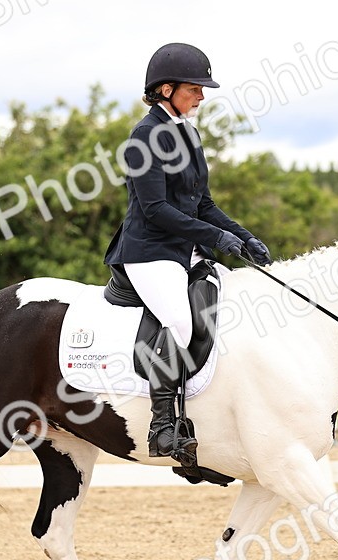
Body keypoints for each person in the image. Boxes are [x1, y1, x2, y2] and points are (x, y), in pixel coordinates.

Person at [104, 42, 272, 466]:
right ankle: (162, 426)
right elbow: (155, 209)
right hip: (149, 252)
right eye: (194, 87)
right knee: (178, 319)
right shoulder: (143, 138)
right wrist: (216, 239)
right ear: (165, 89)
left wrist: (243, 236)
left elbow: (203, 203)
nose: (201, 95)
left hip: (182, 248)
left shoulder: (188, 133)